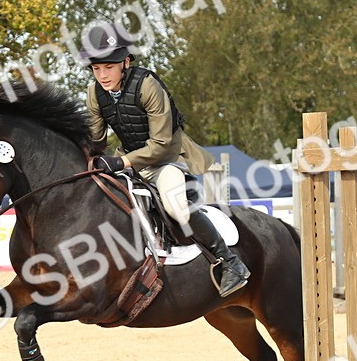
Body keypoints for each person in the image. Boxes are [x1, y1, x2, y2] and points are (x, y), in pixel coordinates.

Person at [80, 22, 249, 297]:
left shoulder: (147, 85)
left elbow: (160, 144)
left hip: (167, 160)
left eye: (108, 67)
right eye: (96, 69)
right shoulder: (94, 93)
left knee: (177, 209)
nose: (102, 75)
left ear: (125, 61)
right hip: (132, 163)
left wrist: (120, 163)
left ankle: (230, 262)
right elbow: (95, 139)